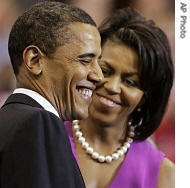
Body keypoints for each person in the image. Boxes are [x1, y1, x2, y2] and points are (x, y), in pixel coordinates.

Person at [64, 7, 175, 188]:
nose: (112, 87)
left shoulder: (164, 174)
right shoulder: (46, 139)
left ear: (146, 96)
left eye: (130, 82)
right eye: (105, 70)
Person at [0, 1, 103, 188]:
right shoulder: (39, 122)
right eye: (85, 60)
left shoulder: (8, 120)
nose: (98, 76)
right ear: (35, 60)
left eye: (99, 62)